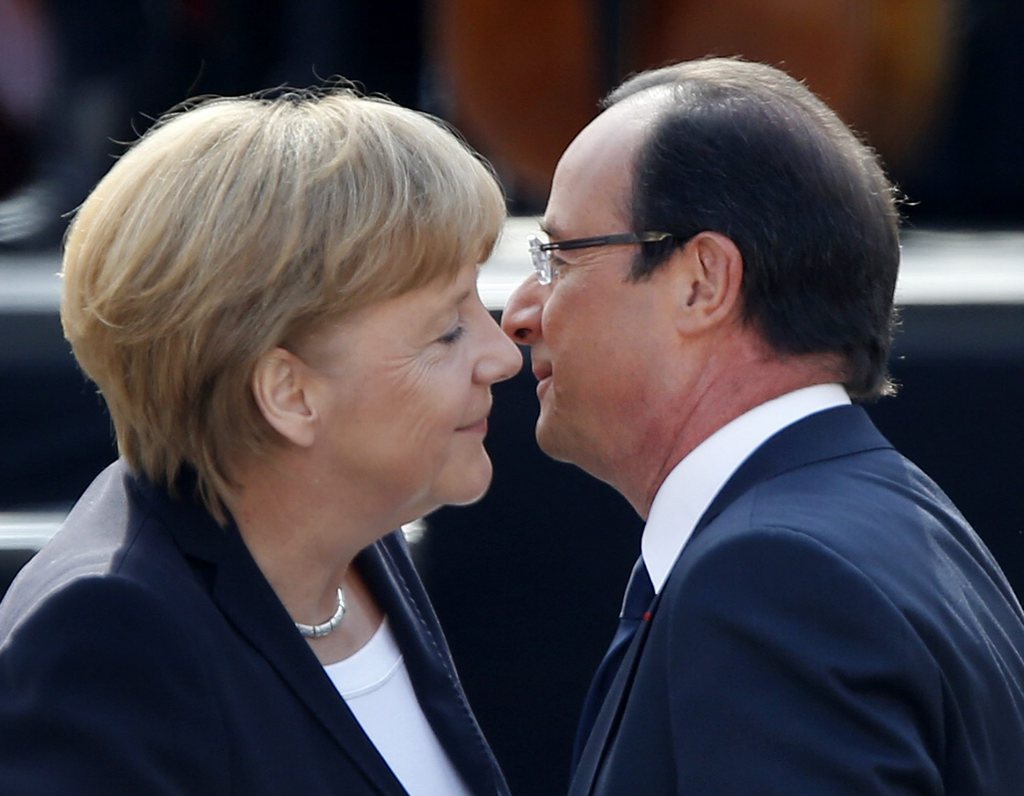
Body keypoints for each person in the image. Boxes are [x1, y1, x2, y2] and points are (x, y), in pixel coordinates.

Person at [500, 57, 1024, 794]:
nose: (519, 315)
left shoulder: (768, 575)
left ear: (702, 282)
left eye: (558, 257)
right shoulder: (887, 523)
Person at [0, 87, 521, 794]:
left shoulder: (355, 547)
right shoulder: (106, 635)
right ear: (288, 394)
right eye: (447, 329)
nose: (503, 356)